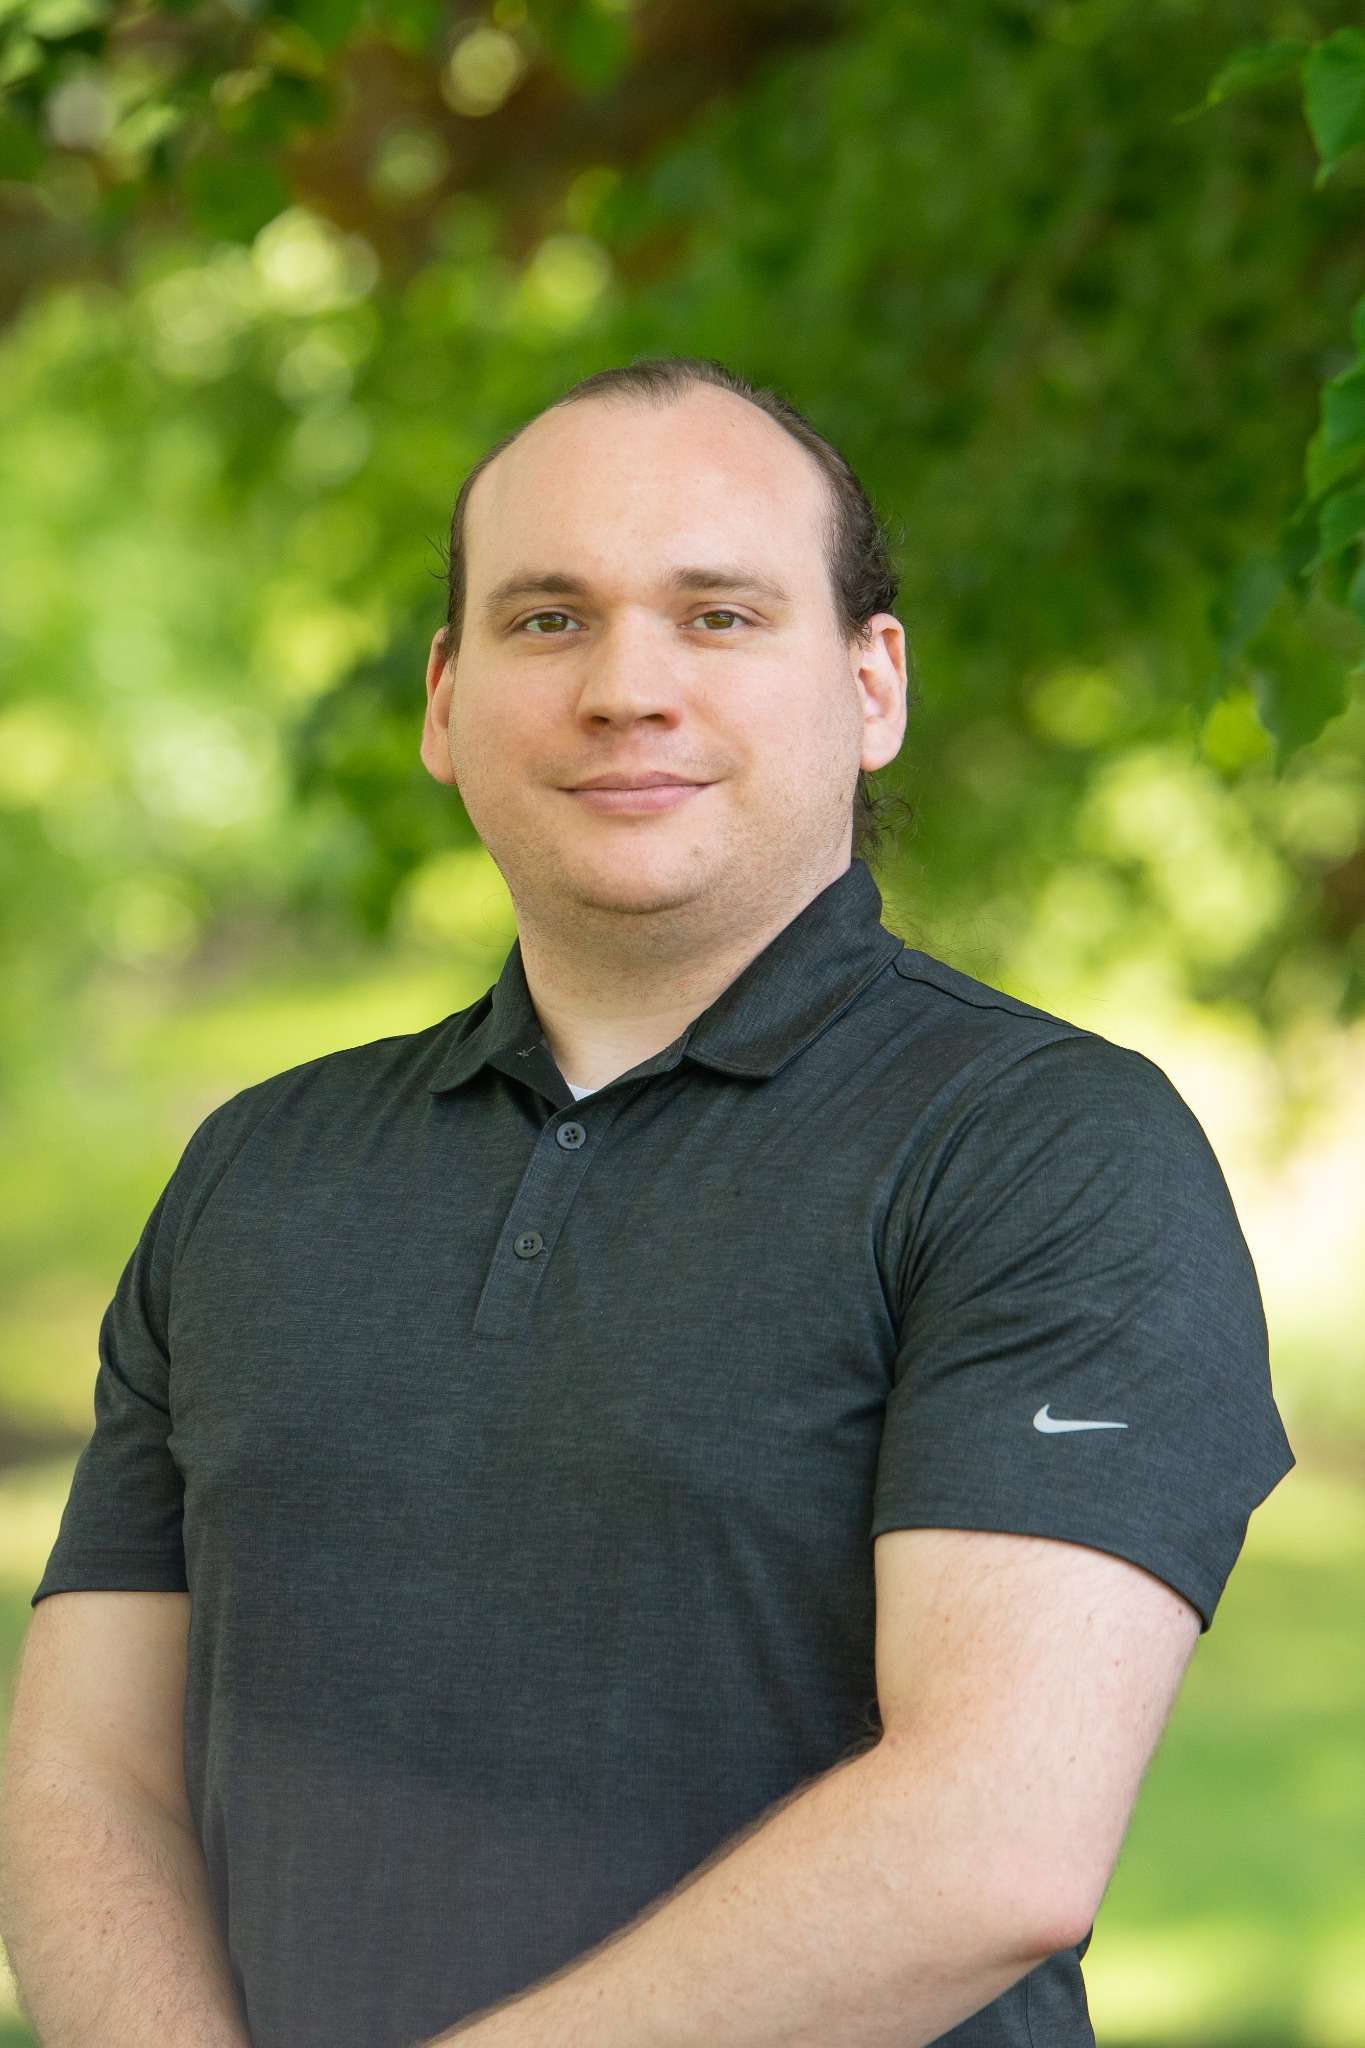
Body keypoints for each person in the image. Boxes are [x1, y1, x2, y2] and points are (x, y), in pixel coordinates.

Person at [11, 355, 1295, 2048]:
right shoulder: (258, 1168)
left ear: (871, 684)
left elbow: (995, 1842)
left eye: (717, 616)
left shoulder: (1046, 1150)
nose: (627, 686)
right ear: (443, 701)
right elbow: (86, 1776)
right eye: (549, 619)